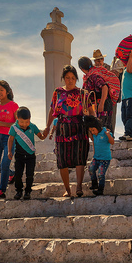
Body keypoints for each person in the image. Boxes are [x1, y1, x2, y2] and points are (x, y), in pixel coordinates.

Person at [43, 65, 90, 198]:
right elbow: (52, 110)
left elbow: (91, 111)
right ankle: (67, 189)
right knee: (62, 158)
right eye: (67, 77)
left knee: (79, 156)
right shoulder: (57, 92)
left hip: (79, 126)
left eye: (73, 78)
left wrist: (94, 126)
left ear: (76, 79)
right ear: (63, 78)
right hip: (62, 128)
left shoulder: (82, 93)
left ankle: (79, 187)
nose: (70, 80)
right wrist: (48, 127)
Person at [7, 107, 46, 200]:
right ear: (17, 118)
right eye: (21, 122)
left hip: (30, 156)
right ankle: (19, 191)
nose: (24, 124)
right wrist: (9, 151)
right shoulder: (14, 128)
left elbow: (41, 137)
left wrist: (46, 133)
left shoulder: (33, 126)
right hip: (19, 156)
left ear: (30, 119)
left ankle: (28, 191)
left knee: (30, 175)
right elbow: (10, 139)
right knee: (18, 175)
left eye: (27, 122)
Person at [79, 56, 117, 133]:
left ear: (81, 68)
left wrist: (101, 104)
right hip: (99, 105)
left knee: (104, 129)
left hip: (103, 105)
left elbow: (104, 87)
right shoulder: (90, 76)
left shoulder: (94, 75)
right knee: (99, 128)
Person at [84, 115, 115, 196]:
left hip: (105, 159)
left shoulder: (105, 132)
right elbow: (92, 139)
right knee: (91, 169)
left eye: (93, 130)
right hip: (96, 158)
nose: (92, 132)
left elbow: (112, 142)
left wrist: (108, 135)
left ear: (97, 127)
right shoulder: (94, 134)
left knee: (101, 174)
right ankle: (94, 184)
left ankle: (100, 189)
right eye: (91, 131)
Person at [120, 50, 132, 140]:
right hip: (125, 97)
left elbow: (129, 70)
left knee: (129, 115)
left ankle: (128, 133)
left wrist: (131, 57)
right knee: (124, 117)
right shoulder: (124, 69)